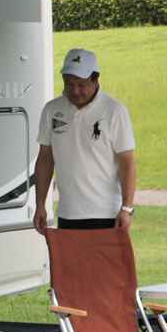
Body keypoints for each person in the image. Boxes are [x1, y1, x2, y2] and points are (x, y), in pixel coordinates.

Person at [33, 48, 136, 234]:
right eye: (69, 83)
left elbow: (126, 162)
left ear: (96, 80)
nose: (75, 90)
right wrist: (40, 205)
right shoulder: (51, 109)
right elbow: (45, 159)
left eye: (82, 84)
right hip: (67, 213)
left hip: (107, 214)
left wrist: (127, 207)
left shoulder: (115, 111)